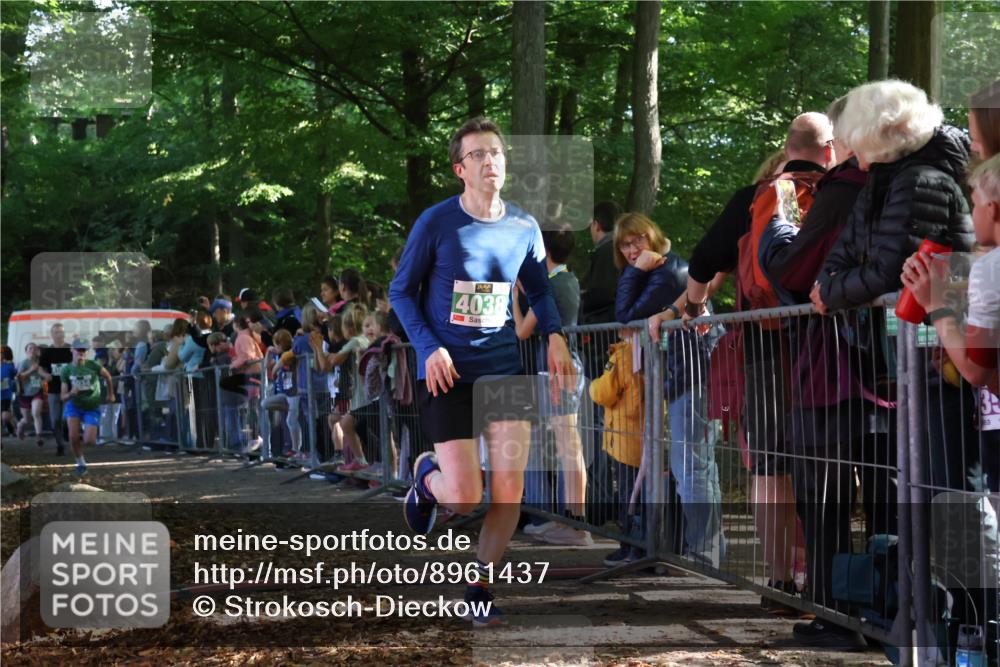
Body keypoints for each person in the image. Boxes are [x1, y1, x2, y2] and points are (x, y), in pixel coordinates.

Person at [389, 117, 574, 627]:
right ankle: (427, 479)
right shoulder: (437, 223)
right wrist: (427, 348)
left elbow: (539, 290)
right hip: (447, 372)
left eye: (497, 152)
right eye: (479, 154)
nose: (491, 160)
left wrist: (554, 335)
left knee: (509, 489)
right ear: (459, 169)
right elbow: (400, 292)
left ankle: (479, 587)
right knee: (467, 494)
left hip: (504, 374)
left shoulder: (523, 227)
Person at [758, 96, 871, 648]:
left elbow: (794, 270)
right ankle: (877, 606)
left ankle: (837, 610)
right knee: (878, 490)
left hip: (836, 364)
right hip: (882, 366)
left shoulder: (844, 187)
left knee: (822, 488)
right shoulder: (899, 182)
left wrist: (777, 232)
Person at [613, 212, 727, 568]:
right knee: (695, 467)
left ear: (654, 236)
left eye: (638, 241)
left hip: (694, 376)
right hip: (685, 376)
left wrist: (635, 272)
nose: (633, 250)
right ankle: (708, 549)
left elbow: (625, 314)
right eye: (626, 245)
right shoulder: (662, 271)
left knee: (691, 467)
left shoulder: (667, 272)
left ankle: (704, 554)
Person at [513, 229, 591, 547]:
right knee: (567, 446)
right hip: (566, 366)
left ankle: (576, 525)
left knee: (568, 447)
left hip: (558, 371)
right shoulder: (569, 280)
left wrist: (514, 298)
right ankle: (571, 521)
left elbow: (521, 330)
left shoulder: (550, 285)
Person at [61, 339, 115, 476]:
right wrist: (71, 393)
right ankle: (81, 464)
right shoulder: (66, 370)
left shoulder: (93, 365)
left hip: (91, 405)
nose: (81, 352)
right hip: (74, 405)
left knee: (89, 441)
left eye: (84, 350)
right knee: (73, 437)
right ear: (72, 350)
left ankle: (86, 428)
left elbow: (108, 377)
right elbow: (63, 396)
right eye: (78, 349)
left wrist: (111, 394)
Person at [39, 322, 72, 455]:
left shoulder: (70, 349)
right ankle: (60, 445)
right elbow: (40, 369)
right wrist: (45, 374)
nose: (60, 334)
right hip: (53, 390)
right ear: (52, 335)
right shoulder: (47, 352)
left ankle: (65, 431)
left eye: (62, 332)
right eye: (57, 332)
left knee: (65, 418)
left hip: (68, 389)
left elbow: (80, 362)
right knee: (55, 420)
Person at [16, 342, 49, 447]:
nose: (32, 350)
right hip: (24, 393)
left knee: (36, 413)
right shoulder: (24, 363)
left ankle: (39, 436)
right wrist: (31, 370)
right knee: (27, 419)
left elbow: (48, 377)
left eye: (34, 349)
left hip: (37, 391)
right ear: (26, 351)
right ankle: (20, 427)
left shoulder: (42, 363)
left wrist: (43, 379)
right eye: (30, 348)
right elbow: (19, 377)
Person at [1, 346, 17, 437]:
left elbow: (17, 375)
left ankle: (13, 428)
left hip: (5, 395)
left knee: (4, 417)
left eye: (1, 354)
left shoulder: (9, 366)